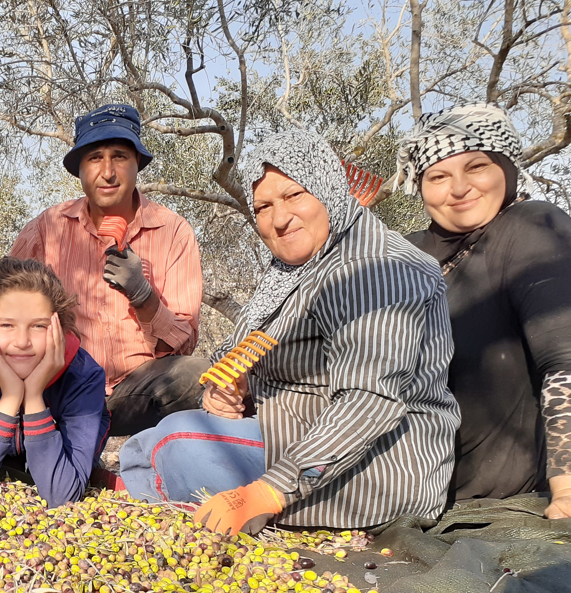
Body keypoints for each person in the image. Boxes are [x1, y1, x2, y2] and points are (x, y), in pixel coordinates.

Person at [121, 129, 459, 534]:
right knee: (146, 445)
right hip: (292, 429)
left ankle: (167, 518)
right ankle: (153, 510)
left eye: (294, 195)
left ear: (327, 188)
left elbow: (369, 402)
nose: (279, 219)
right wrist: (232, 387)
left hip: (379, 469)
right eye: (263, 207)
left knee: (171, 444)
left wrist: (269, 492)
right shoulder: (294, 269)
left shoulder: (373, 268)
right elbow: (239, 351)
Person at [394, 103, 571, 519]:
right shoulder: (404, 252)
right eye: (438, 176)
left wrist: (566, 489)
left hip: (495, 502)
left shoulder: (532, 227)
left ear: (506, 168)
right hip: (403, 493)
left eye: (476, 167)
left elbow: (564, 362)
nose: (458, 188)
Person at [9, 103, 206, 437]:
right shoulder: (47, 228)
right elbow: (1, 306)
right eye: (95, 158)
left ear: (137, 162)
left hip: (136, 389)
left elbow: (183, 346)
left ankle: (159, 448)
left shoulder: (173, 231)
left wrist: (144, 297)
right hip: (61, 386)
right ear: (80, 169)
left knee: (196, 377)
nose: (108, 172)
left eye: (119, 156)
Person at [0, 258, 109, 507]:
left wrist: (33, 397)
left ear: (61, 329)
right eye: (7, 325)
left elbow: (62, 496)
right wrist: (10, 396)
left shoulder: (84, 377)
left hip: (50, 468)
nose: (22, 342)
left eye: (39, 326)